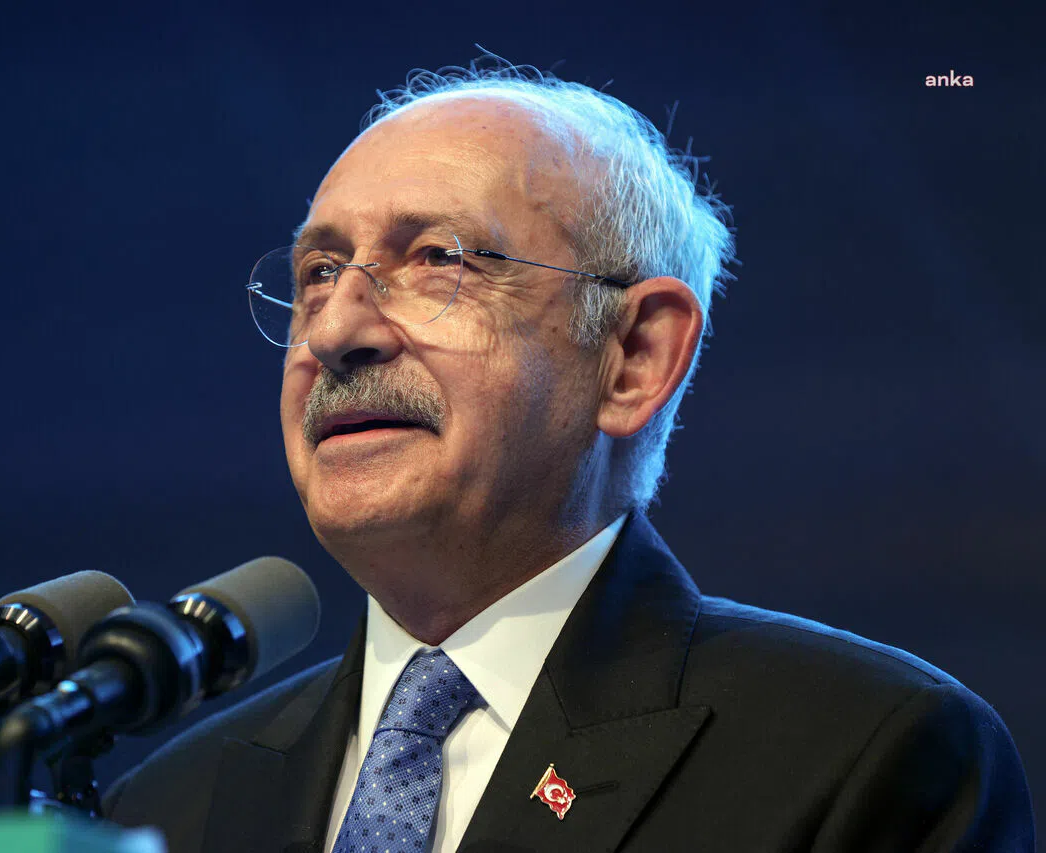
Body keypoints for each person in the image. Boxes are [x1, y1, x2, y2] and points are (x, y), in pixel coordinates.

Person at [103, 62, 1034, 852]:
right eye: (317, 274)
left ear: (634, 358)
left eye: (438, 259)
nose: (337, 330)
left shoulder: (865, 754)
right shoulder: (162, 810)